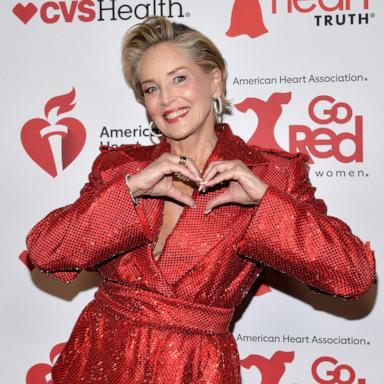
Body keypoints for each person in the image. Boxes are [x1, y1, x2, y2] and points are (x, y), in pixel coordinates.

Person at [26, 16, 375, 384]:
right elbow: (46, 252)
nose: (166, 100)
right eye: (150, 89)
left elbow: (353, 276)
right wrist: (130, 191)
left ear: (214, 80)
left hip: (194, 368)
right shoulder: (121, 168)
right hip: (98, 358)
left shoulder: (270, 175)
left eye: (179, 78)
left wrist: (265, 203)